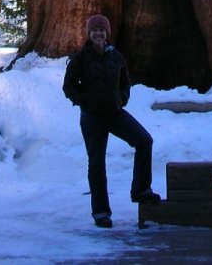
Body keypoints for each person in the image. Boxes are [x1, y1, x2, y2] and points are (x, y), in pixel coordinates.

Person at [63, 13, 160, 228]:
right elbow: (68, 86)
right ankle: (101, 212)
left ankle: (141, 190)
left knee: (144, 141)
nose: (98, 34)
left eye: (102, 30)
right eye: (94, 30)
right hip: (92, 117)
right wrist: (85, 102)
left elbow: (125, 82)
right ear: (89, 34)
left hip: (115, 113)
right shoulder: (80, 58)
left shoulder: (116, 56)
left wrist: (122, 98)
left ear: (107, 33)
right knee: (97, 163)